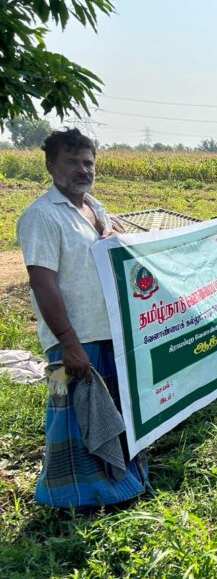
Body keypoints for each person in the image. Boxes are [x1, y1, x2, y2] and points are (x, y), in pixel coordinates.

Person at [16, 128, 149, 509]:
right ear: (50, 165)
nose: (82, 169)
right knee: (70, 416)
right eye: (72, 161)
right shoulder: (42, 215)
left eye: (88, 162)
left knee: (111, 411)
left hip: (108, 331)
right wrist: (68, 342)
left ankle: (120, 485)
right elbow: (43, 283)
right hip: (71, 340)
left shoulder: (95, 208)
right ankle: (71, 497)